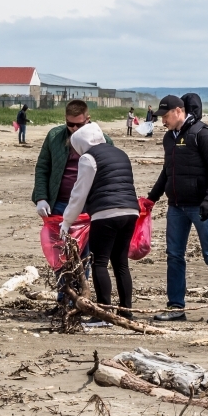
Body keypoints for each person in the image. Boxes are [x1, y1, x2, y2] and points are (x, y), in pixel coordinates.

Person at [147, 93, 208, 324]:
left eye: (165, 116)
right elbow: (167, 171)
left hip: (201, 206)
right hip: (176, 206)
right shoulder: (169, 138)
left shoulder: (203, 134)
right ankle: (176, 306)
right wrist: (151, 199)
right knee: (174, 256)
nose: (162, 120)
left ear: (178, 111)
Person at [61, 122, 139, 317]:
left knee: (100, 263)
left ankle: (104, 313)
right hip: (131, 212)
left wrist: (67, 222)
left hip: (105, 214)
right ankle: (126, 311)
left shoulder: (88, 158)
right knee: (121, 263)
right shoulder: (120, 153)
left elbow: (79, 193)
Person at [32, 99, 112, 219]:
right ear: (65, 118)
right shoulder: (54, 136)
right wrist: (41, 198)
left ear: (88, 119)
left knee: (86, 238)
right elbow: (43, 168)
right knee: (56, 238)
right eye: (70, 124)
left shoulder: (102, 140)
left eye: (79, 124)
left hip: (89, 205)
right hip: (58, 204)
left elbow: (109, 175)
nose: (74, 128)